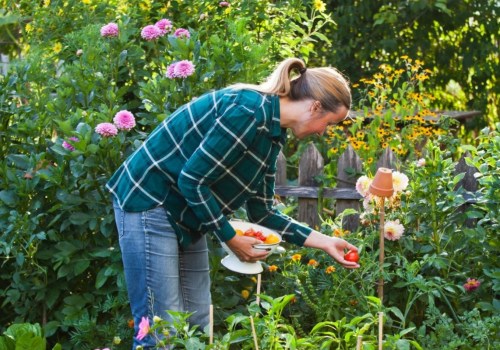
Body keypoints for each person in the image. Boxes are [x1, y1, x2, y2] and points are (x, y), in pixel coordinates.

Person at [106, 57, 360, 349]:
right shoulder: (247, 112)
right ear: (315, 106)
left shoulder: (271, 136)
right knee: (161, 330)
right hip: (151, 201)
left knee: (197, 324)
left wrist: (326, 242)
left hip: (188, 214)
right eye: (328, 123)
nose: (323, 132)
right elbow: (192, 180)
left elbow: (262, 212)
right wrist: (230, 237)